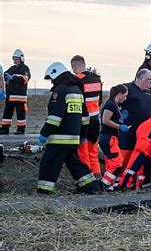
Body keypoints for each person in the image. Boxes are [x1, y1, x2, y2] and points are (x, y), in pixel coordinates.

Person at [37, 62, 101, 194]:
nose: (52, 82)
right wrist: (83, 136)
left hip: (58, 139)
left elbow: (55, 117)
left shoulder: (60, 91)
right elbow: (85, 117)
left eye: (52, 79)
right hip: (73, 138)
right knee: (75, 164)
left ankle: (44, 190)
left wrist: (44, 133)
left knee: (49, 163)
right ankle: (90, 187)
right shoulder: (77, 91)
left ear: (56, 75)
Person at [70, 55, 103, 178]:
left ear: (74, 66)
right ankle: (98, 178)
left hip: (83, 121)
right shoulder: (96, 79)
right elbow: (99, 100)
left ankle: (88, 181)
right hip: (96, 120)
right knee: (93, 152)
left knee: (83, 153)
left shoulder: (77, 80)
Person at [98, 84, 129, 190]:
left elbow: (112, 119)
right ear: (119, 94)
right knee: (117, 163)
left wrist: (120, 119)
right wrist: (119, 126)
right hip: (108, 138)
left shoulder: (115, 105)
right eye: (124, 96)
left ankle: (111, 185)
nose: (125, 99)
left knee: (112, 163)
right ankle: (103, 184)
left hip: (111, 138)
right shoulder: (110, 105)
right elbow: (105, 120)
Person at [1, 49, 31, 135]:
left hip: (20, 97)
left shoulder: (25, 68)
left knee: (20, 115)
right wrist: (6, 77)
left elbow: (25, 79)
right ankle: (4, 129)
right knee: (7, 113)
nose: (15, 61)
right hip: (10, 96)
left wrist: (13, 78)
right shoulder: (12, 68)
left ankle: (21, 130)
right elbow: (4, 75)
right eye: (14, 59)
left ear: (21, 59)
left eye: (16, 59)